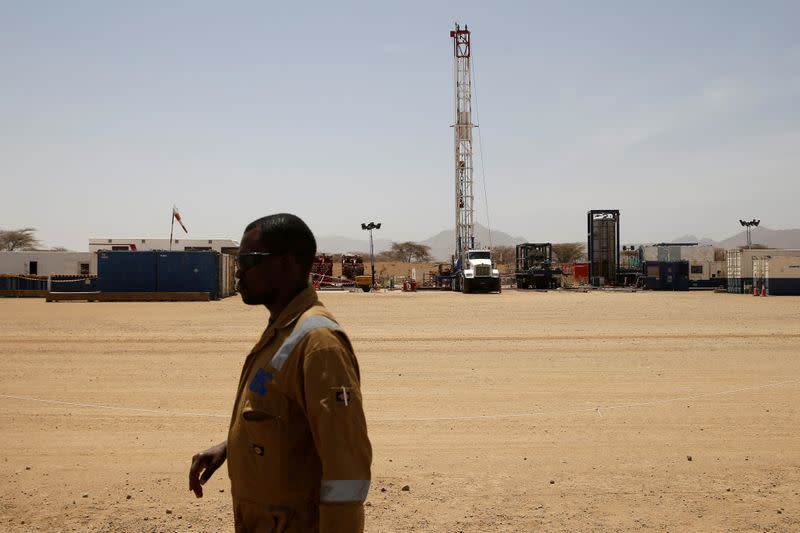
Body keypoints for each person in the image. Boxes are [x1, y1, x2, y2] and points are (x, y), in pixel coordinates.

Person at [189, 213, 372, 532]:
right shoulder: (282, 331)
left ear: (287, 264)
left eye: (249, 260)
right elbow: (283, 416)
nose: (238, 271)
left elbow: (346, 468)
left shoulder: (319, 344)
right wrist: (232, 446)